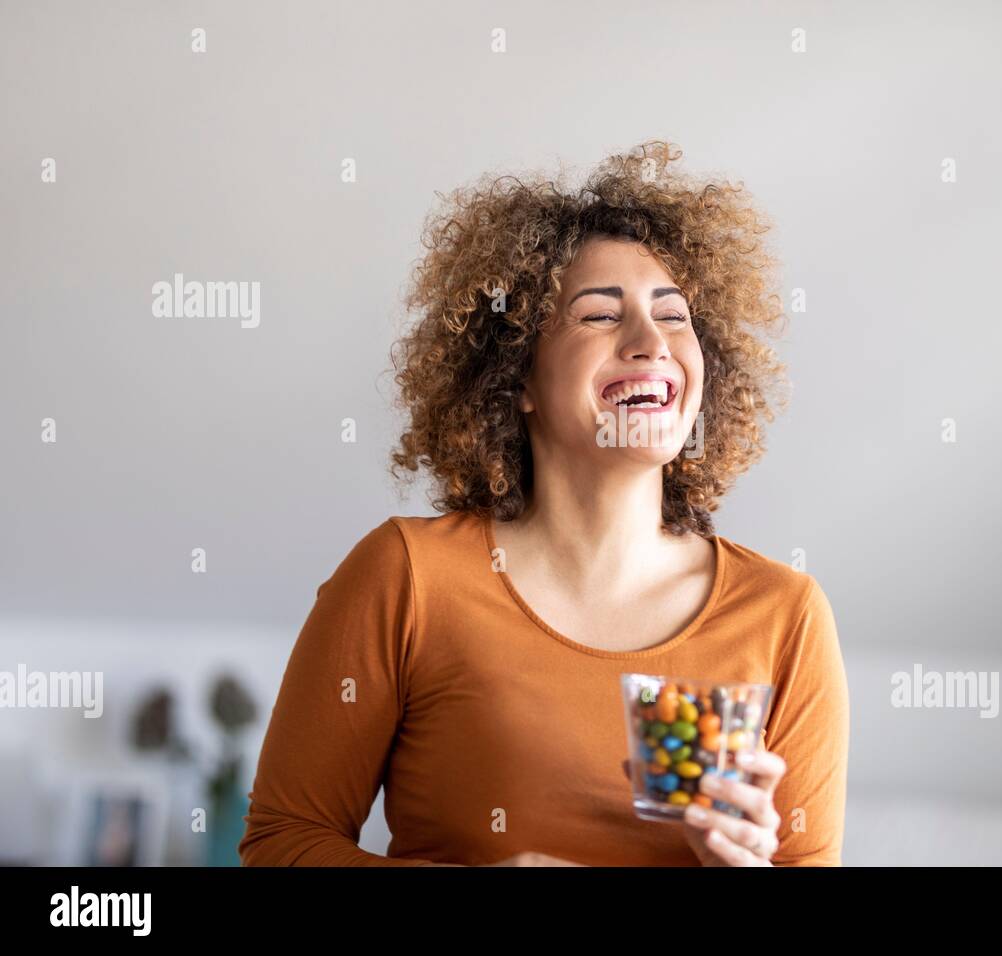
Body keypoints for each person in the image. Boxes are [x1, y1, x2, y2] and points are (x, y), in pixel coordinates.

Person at [238, 141, 849, 867]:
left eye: (674, 316)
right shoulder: (407, 577)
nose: (650, 341)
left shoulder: (785, 617)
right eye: (599, 316)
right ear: (517, 376)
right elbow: (281, 845)